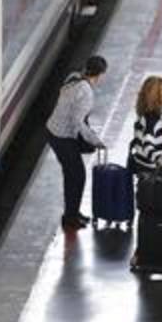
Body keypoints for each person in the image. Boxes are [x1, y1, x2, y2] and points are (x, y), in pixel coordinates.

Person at [46, 56, 107, 232]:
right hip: (63, 136)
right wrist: (96, 141)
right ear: (100, 74)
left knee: (72, 174)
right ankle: (70, 217)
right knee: (77, 176)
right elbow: (77, 123)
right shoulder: (86, 92)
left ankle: (72, 213)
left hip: (53, 130)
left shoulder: (73, 77)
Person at [128, 75, 162, 175]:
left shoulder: (143, 115)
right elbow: (147, 145)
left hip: (141, 166)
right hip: (152, 172)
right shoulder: (153, 120)